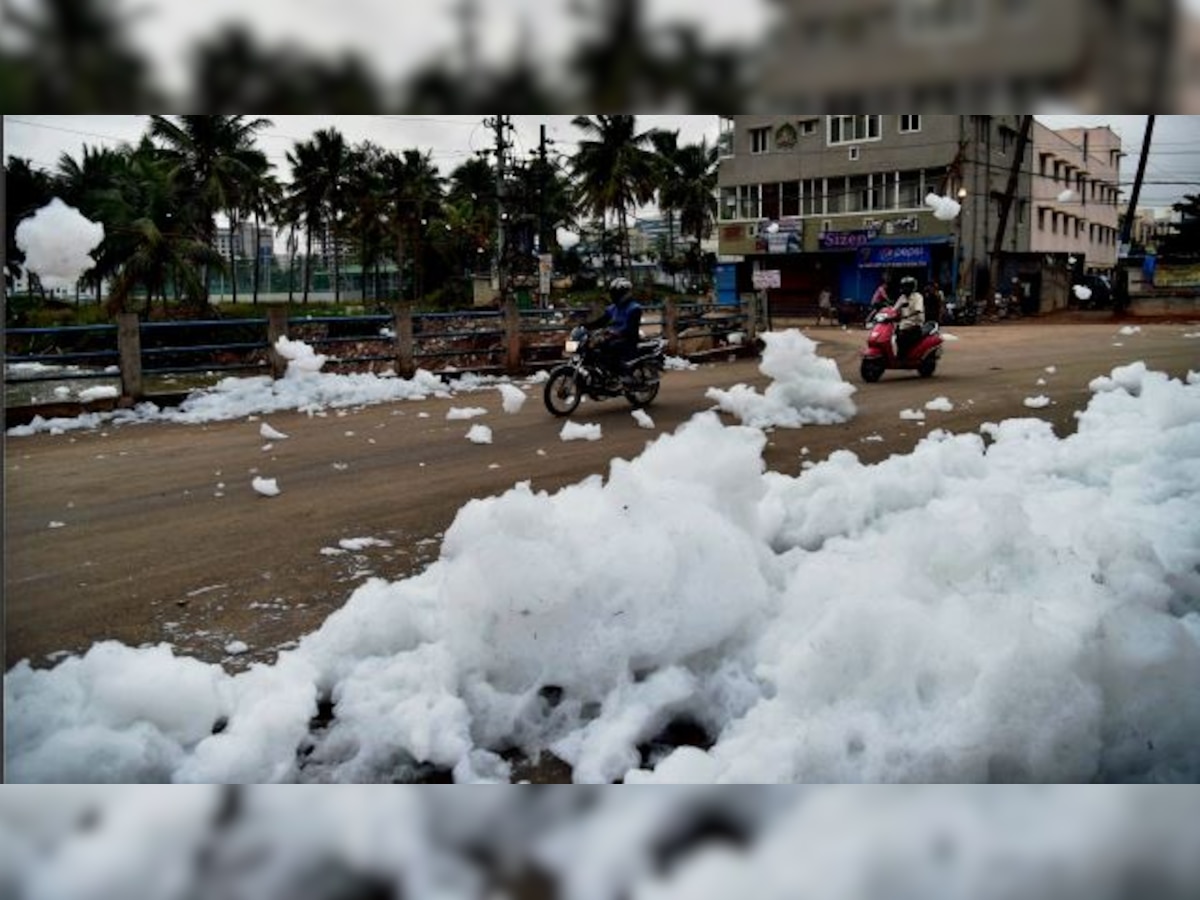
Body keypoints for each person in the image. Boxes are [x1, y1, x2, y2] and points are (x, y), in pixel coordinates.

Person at [587, 276, 643, 385]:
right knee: (593, 347)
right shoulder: (613, 308)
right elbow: (602, 321)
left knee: (610, 347)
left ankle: (625, 374)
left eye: (616, 293)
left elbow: (630, 328)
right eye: (613, 293)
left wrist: (614, 333)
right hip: (613, 336)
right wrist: (586, 326)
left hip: (628, 339)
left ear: (625, 293)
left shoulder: (634, 308)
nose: (614, 295)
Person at [893, 276, 925, 359]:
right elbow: (894, 309)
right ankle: (901, 354)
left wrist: (907, 315)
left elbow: (918, 310)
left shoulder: (918, 297)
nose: (904, 288)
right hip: (903, 324)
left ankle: (904, 356)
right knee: (895, 334)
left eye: (906, 286)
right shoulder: (902, 297)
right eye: (903, 286)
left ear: (912, 287)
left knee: (902, 336)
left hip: (915, 324)